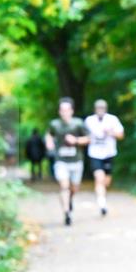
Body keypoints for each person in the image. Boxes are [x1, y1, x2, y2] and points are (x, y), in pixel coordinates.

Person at [44, 97, 89, 226]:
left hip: (76, 161)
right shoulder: (54, 124)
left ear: (72, 111)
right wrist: (49, 143)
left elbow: (88, 139)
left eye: (67, 110)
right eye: (62, 110)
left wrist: (76, 140)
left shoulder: (78, 123)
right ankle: (66, 213)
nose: (65, 112)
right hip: (61, 161)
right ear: (59, 111)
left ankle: (69, 201)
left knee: (74, 188)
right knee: (64, 186)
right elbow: (49, 134)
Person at [84, 99, 125, 216]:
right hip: (95, 154)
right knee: (99, 178)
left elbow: (121, 134)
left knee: (106, 181)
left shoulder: (112, 119)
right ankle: (102, 204)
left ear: (105, 109)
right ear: (95, 109)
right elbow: (84, 135)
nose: (100, 110)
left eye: (102, 108)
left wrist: (110, 132)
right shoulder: (89, 121)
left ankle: (102, 196)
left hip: (109, 154)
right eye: (98, 108)